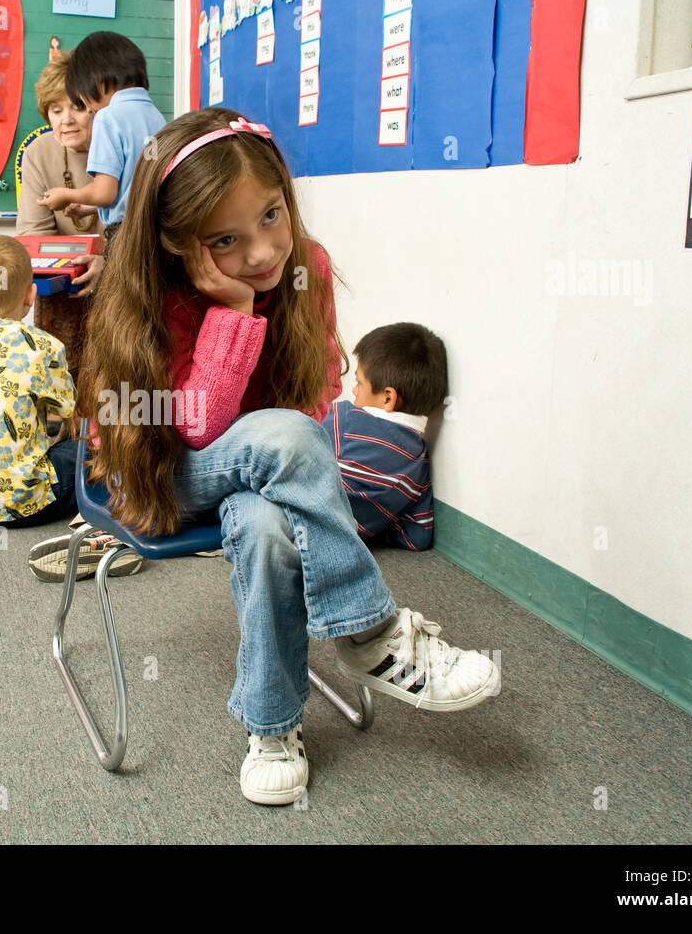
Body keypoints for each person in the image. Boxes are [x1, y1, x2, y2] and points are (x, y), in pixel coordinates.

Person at [75, 107, 500, 806]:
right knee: (287, 439)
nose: (264, 252)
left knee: (265, 524)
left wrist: (275, 456)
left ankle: (271, 727)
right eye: (225, 240)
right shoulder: (155, 295)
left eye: (272, 216)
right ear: (178, 243)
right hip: (158, 470)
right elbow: (198, 426)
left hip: (261, 471)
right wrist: (235, 310)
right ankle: (371, 633)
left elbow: (313, 393)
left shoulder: (309, 268)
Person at [0, 235, 139, 572]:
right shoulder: (42, 347)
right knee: (89, 444)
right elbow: (73, 411)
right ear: (31, 294)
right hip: (21, 506)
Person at [16, 53, 106, 382]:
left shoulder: (129, 146)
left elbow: (145, 228)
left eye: (78, 107)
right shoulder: (39, 152)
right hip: (65, 280)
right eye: (56, 110)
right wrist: (73, 265)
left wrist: (107, 264)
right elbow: (33, 235)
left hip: (123, 272)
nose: (66, 120)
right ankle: (62, 415)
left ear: (99, 107)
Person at [323, 323, 446, 551]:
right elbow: (418, 536)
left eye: (359, 383)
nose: (354, 391)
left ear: (388, 398)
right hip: (339, 541)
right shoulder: (419, 461)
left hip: (290, 517)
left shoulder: (344, 418)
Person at [36, 31, 166, 233]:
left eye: (81, 101)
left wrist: (67, 195)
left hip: (124, 234)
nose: (89, 109)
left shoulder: (108, 117)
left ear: (95, 80)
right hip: (154, 228)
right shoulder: (156, 115)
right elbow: (132, 191)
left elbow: (105, 193)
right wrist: (89, 208)